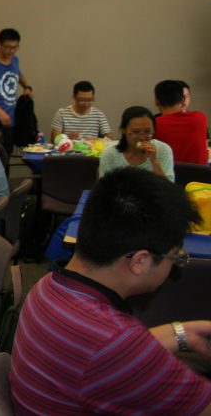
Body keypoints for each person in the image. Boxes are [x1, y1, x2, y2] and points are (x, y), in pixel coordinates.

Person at [11, 167, 211, 414]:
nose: (175, 265)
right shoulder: (117, 347)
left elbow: (107, 353)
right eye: (176, 257)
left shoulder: (47, 287)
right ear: (140, 261)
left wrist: (184, 334)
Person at [99, 106, 174, 181]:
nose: (142, 137)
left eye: (147, 131)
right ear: (124, 130)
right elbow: (103, 190)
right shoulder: (109, 155)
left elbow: (169, 190)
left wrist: (155, 163)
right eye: (136, 132)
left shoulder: (163, 150)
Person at [154, 79, 209, 165]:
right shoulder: (200, 118)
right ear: (183, 100)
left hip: (167, 177)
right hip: (199, 176)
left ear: (156, 101)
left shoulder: (153, 125)